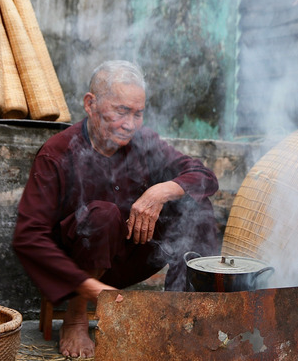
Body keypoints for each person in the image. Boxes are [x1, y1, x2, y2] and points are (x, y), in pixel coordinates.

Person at [12, 60, 220, 358]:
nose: (130, 124)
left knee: (195, 204)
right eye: (121, 111)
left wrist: (161, 190)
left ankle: (181, 315)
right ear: (90, 104)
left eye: (138, 113)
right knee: (104, 214)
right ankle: (76, 316)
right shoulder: (58, 153)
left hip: (131, 257)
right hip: (77, 270)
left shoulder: (144, 142)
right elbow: (28, 236)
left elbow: (203, 176)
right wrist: (86, 287)